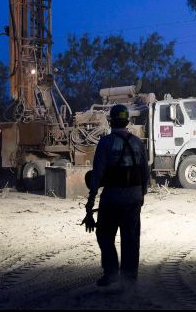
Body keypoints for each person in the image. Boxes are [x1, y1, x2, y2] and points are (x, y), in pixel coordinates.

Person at [82, 104, 149, 287]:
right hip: (134, 198)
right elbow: (145, 174)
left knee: (104, 234)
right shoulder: (138, 142)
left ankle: (111, 273)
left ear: (110, 121)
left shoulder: (106, 143)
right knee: (131, 238)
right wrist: (140, 196)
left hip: (112, 199)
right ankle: (130, 278)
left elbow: (96, 176)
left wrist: (89, 208)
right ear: (127, 121)